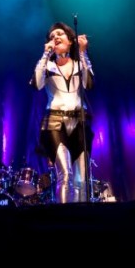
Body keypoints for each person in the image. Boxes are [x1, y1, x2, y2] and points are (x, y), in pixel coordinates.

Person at [30, 21, 95, 203]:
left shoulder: (79, 64)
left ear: (71, 40)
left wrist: (83, 52)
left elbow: (88, 84)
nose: (55, 37)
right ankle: (63, 219)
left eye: (59, 34)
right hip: (54, 122)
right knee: (65, 174)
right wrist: (45, 54)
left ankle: (82, 224)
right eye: (52, 37)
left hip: (79, 122)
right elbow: (36, 84)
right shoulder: (48, 66)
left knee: (81, 179)